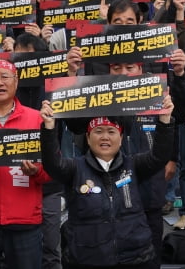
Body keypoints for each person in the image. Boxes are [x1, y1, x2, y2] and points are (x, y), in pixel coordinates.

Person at [39, 95, 175, 269]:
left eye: (111, 132)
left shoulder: (133, 164)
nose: (105, 137)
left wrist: (165, 120)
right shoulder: (74, 168)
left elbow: (159, 156)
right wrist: (49, 127)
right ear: (88, 138)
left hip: (135, 258)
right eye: (98, 131)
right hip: (87, 258)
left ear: (120, 138)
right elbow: (52, 164)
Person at [0, 59, 49, 269]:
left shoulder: (37, 119)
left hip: (25, 221)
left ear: (16, 82)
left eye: (5, 77)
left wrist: (37, 171)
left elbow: (52, 171)